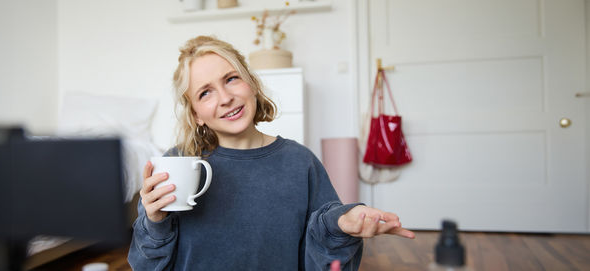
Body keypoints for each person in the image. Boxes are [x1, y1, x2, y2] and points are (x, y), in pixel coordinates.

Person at [128, 36, 415, 270]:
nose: (225, 98)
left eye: (231, 79)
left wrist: (342, 222)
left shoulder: (299, 161)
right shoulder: (175, 163)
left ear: (251, 83)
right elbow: (145, 263)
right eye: (205, 93)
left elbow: (322, 229)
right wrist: (154, 222)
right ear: (196, 114)